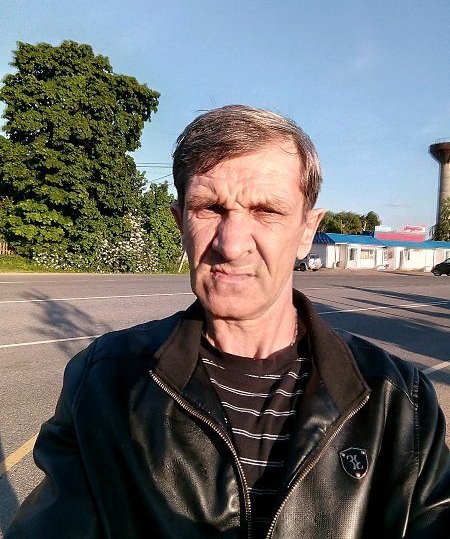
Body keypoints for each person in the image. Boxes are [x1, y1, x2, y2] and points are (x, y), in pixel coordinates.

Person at [6, 105, 450, 538]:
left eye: (266, 210)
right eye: (209, 208)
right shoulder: (103, 384)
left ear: (307, 231)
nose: (231, 244)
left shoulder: (400, 404)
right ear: (181, 223)